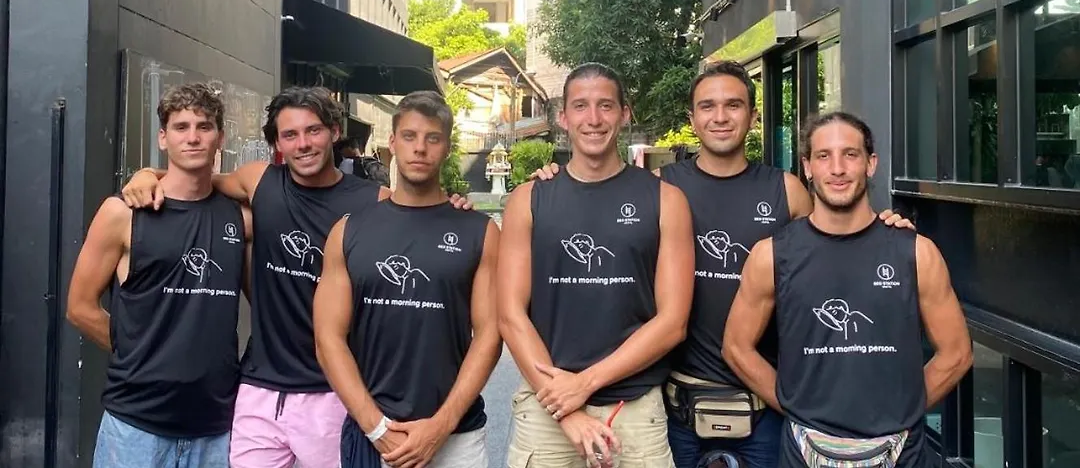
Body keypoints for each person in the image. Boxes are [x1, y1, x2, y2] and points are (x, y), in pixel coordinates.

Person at [534, 61, 914, 468]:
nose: (720, 117)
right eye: (707, 106)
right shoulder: (660, 187)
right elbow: (594, 201)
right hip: (677, 405)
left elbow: (838, 251)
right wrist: (555, 179)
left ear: (753, 116)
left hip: (766, 407)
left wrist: (884, 229)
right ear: (692, 119)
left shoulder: (786, 191)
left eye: (733, 105)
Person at [121, 86, 474, 468]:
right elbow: (194, 176)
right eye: (290, 134)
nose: (303, 144)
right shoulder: (259, 181)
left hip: (333, 392)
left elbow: (421, 215)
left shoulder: (374, 201)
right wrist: (147, 174)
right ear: (277, 143)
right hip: (260, 389)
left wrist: (453, 208)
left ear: (334, 132)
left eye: (313, 130)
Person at [723, 112, 972, 468]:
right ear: (807, 167)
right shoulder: (772, 255)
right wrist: (796, 406)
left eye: (850, 154)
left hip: (902, 451)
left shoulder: (916, 252)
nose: (837, 168)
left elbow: (957, 353)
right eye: (824, 156)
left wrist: (902, 410)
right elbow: (736, 347)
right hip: (804, 449)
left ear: (871, 164)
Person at [498, 62, 696, 468]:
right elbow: (510, 314)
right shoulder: (528, 200)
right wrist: (565, 408)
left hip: (634, 410)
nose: (593, 119)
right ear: (563, 117)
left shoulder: (666, 200)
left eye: (605, 106)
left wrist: (584, 384)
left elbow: (673, 322)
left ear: (625, 114)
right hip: (546, 406)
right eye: (580, 106)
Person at [67, 83, 252, 468]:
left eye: (204, 126)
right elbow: (80, 307)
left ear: (220, 138)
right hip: (136, 426)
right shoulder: (123, 213)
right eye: (181, 127)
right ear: (163, 138)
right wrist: (137, 353)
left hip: (215, 425)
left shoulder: (239, 218)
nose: (193, 137)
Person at [315, 90, 502, 468]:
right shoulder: (348, 231)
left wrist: (441, 425)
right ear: (392, 142)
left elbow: (490, 335)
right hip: (375, 435)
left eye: (433, 138)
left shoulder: (479, 232)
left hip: (457, 438)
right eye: (410, 136)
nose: (420, 148)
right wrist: (376, 428)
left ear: (446, 147)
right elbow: (327, 339)